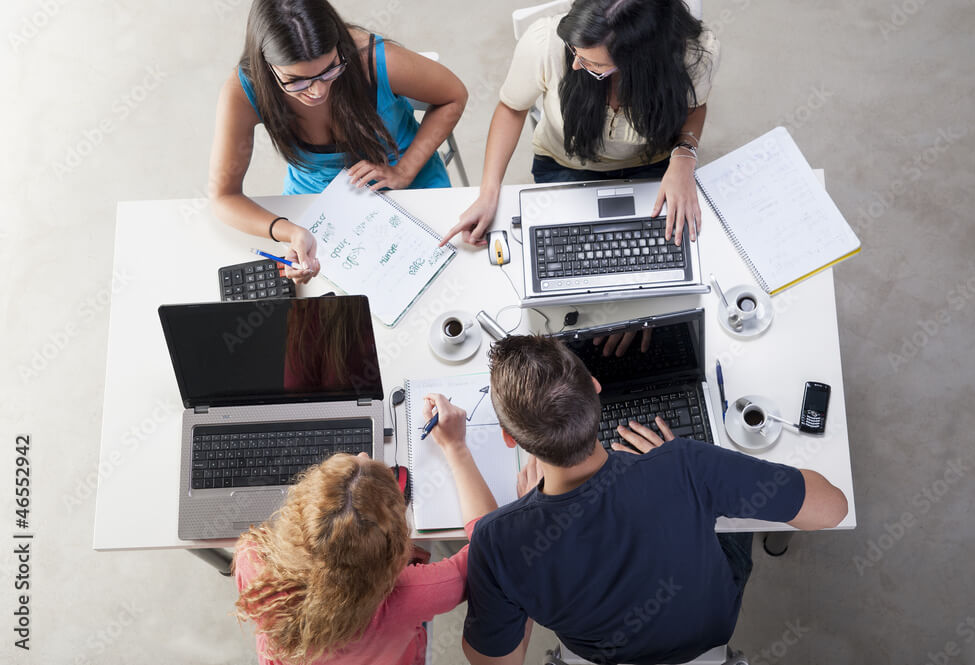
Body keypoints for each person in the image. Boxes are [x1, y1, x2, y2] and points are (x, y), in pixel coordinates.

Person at [462, 335, 849, 665]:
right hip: (709, 634)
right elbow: (833, 508)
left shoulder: (497, 542)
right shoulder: (684, 464)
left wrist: (522, 535)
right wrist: (680, 463)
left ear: (509, 438)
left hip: (601, 654)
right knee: (732, 519)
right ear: (596, 388)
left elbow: (497, 661)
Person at [209, 0, 468, 283]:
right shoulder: (244, 90)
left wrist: (405, 170)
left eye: (330, 69)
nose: (318, 91)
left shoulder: (375, 59)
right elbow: (224, 196)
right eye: (296, 81)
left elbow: (453, 95)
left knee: (444, 278)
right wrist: (291, 232)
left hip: (409, 184)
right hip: (320, 206)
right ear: (266, 66)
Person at [233, 394, 495, 665]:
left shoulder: (253, 560)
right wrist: (456, 448)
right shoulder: (416, 594)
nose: (362, 454)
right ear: (396, 550)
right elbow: (491, 550)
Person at [443, 0, 719, 249]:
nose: (575, 65)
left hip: (657, 163)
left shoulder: (695, 54)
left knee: (668, 246)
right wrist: (489, 193)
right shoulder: (544, 44)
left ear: (641, 64)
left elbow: (695, 107)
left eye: (592, 63)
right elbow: (512, 109)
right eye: (574, 51)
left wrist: (684, 156)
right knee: (565, 251)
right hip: (565, 164)